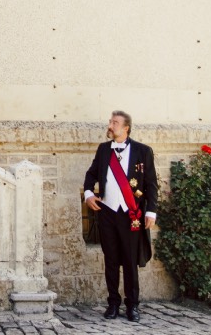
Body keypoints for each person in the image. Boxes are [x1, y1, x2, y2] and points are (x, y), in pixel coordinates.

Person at [83, 110, 158, 324]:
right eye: (110, 121)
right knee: (111, 261)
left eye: (115, 122)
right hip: (107, 213)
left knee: (130, 261)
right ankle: (113, 304)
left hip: (131, 214)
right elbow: (91, 175)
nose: (111, 125)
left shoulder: (143, 151)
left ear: (126, 128)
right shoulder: (103, 149)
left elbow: (151, 184)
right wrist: (88, 194)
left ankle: (132, 305)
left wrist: (151, 211)